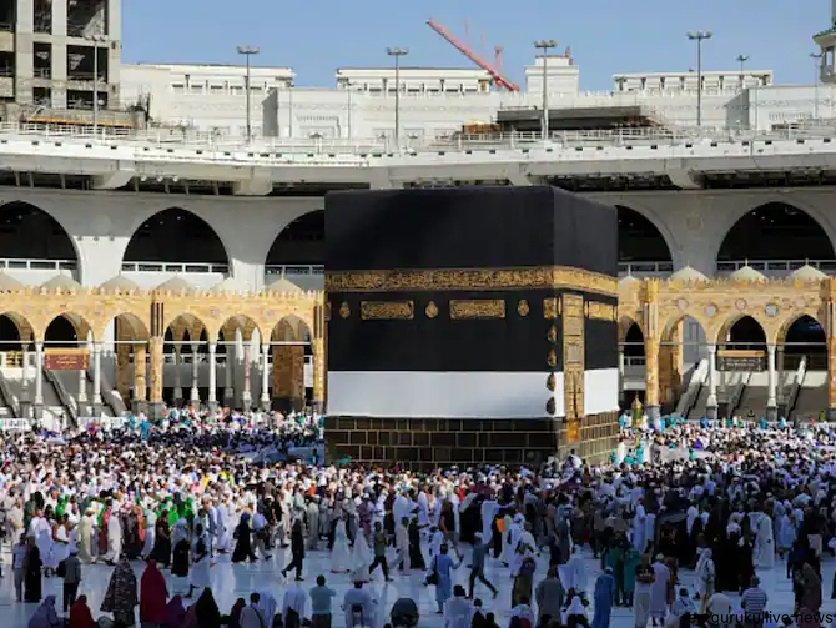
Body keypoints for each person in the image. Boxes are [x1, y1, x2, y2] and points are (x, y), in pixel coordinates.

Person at [101, 556, 138, 628]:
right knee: (128, 622)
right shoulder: (131, 572)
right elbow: (133, 588)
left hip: (117, 603)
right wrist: (134, 602)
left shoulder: (116, 572)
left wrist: (107, 603)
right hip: (128, 604)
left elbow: (112, 587)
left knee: (119, 622)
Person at [140, 559, 169, 628]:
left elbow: (143, 593)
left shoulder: (145, 575)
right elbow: (163, 591)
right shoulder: (159, 576)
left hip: (147, 610)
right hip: (157, 611)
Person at [468, 533, 498, 600]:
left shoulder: (479, 548)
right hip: (476, 567)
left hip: (477, 567)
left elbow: (480, 560)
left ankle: (471, 595)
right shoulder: (478, 547)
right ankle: (494, 590)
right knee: (481, 579)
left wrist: (479, 569)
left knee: (472, 579)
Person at [433, 544, 461, 614]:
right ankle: (448, 609)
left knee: (439, 594)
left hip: (438, 578)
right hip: (446, 578)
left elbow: (431, 567)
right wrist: (460, 561)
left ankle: (440, 609)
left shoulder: (436, 557)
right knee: (447, 595)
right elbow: (454, 567)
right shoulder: (448, 558)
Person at [633, 555, 654, 628]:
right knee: (638, 612)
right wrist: (647, 578)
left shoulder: (651, 569)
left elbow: (652, 579)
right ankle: (637, 626)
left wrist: (643, 578)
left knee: (646, 612)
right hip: (638, 593)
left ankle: (643, 626)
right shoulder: (637, 567)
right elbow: (637, 578)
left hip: (647, 593)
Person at [649, 554, 670, 626]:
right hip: (662, 589)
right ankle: (662, 620)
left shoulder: (651, 567)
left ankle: (654, 621)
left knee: (653, 604)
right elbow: (668, 581)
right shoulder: (665, 568)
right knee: (661, 605)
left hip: (653, 589)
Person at [62, 549, 82, 614]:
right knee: (73, 595)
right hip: (73, 581)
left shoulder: (66, 560)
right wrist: (78, 579)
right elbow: (78, 571)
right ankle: (72, 607)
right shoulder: (76, 561)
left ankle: (65, 608)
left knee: (66, 594)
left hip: (66, 580)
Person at [24, 536, 43, 603]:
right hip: (29, 569)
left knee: (34, 584)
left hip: (34, 570)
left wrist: (34, 569)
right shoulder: (28, 549)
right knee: (29, 583)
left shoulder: (35, 549)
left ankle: (35, 597)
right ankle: (29, 597)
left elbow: (35, 560)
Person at [13, 533, 28, 603]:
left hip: (24, 567)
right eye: (21, 538)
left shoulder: (27, 547)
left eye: (23, 538)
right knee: (17, 583)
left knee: (25, 583)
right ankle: (18, 597)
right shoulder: (16, 546)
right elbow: (14, 555)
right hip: (17, 566)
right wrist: (12, 564)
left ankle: (26, 597)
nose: (22, 539)